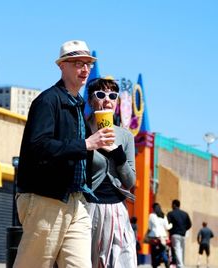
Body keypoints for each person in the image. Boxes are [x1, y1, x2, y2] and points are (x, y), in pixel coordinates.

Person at [13, 40, 115, 268]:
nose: (85, 69)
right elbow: (38, 147)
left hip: (75, 200)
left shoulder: (79, 104)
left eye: (88, 63)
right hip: (45, 199)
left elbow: (76, 149)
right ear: (62, 66)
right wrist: (86, 144)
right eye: (78, 63)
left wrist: (99, 148)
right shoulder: (47, 101)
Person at [84, 77, 137, 268]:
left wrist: (119, 156)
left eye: (113, 95)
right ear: (90, 100)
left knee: (123, 261)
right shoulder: (80, 130)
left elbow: (130, 181)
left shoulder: (125, 136)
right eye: (100, 94)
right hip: (87, 208)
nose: (107, 100)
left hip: (116, 210)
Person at [167, 199, 192, 268]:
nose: (171, 206)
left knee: (177, 249)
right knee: (182, 250)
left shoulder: (170, 214)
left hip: (175, 234)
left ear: (174, 205)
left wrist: (170, 231)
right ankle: (181, 264)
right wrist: (184, 229)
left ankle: (180, 266)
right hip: (183, 235)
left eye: (172, 204)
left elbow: (168, 224)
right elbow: (189, 224)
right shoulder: (185, 214)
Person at [148, 203, 172, 268]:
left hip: (154, 236)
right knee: (163, 250)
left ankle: (155, 265)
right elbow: (167, 227)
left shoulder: (151, 215)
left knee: (154, 252)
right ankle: (166, 260)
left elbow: (150, 227)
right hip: (162, 237)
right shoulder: (163, 216)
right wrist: (171, 225)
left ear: (153, 209)